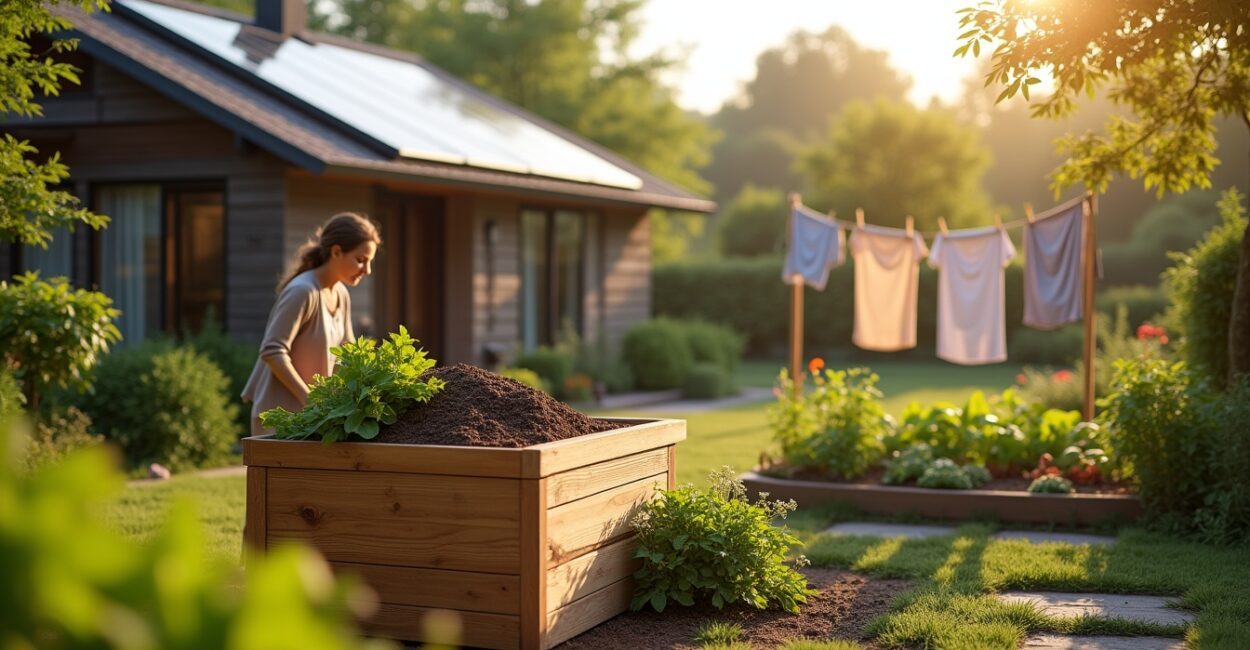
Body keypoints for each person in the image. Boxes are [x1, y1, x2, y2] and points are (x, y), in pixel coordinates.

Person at [241, 212, 380, 436]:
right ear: (336, 252)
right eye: (361, 260)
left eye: (370, 262)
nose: (367, 270)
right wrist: (311, 400)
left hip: (314, 419)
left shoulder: (341, 294)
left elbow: (349, 355)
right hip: (280, 420)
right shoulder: (302, 291)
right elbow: (272, 351)